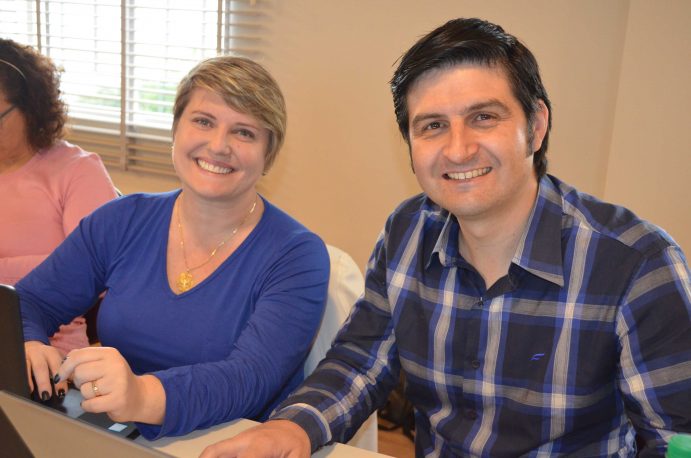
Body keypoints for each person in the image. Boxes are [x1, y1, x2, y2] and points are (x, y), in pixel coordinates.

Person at [200, 18, 691, 458]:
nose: (458, 150)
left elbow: (677, 440)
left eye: (484, 117)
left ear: (536, 125)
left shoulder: (638, 264)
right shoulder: (407, 231)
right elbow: (361, 363)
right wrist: (292, 428)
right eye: (433, 126)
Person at [18, 56, 330, 440]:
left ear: (269, 153)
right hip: (121, 433)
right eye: (203, 121)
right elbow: (29, 302)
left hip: (232, 441)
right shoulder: (121, 220)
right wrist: (29, 341)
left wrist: (142, 395)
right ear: (176, 129)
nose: (218, 145)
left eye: (244, 132)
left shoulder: (298, 256)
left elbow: (251, 378)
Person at [0, 39, 118, 357]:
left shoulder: (77, 170)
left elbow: (96, 272)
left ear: (29, 108)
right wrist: (48, 264)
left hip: (51, 347)